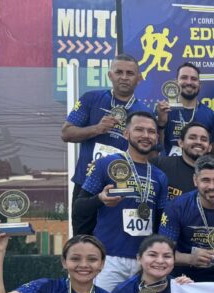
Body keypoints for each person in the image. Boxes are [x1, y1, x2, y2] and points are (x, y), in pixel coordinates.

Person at [80, 111, 169, 292]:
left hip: (143, 261)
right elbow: (79, 207)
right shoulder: (105, 164)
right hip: (109, 258)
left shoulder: (160, 176)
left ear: (157, 137)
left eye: (151, 131)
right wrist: (100, 199)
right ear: (126, 134)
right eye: (139, 130)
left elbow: (161, 221)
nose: (146, 136)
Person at [63, 54, 151, 234]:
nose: (124, 77)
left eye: (130, 73)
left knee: (115, 244)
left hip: (122, 187)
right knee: (82, 242)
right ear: (110, 75)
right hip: (87, 184)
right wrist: (96, 129)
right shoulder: (91, 98)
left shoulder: (144, 112)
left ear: (139, 79)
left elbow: (150, 152)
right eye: (119, 72)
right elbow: (66, 133)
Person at [155, 62, 214, 157]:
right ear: (176, 82)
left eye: (194, 79)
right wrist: (161, 124)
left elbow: (212, 149)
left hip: (198, 168)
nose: (189, 82)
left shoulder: (210, 115)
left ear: (199, 84)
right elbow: (157, 147)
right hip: (169, 168)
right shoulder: (164, 110)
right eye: (184, 77)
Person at [150, 121, 212, 200]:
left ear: (210, 147)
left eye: (204, 139)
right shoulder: (159, 164)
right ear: (181, 143)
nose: (198, 142)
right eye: (192, 138)